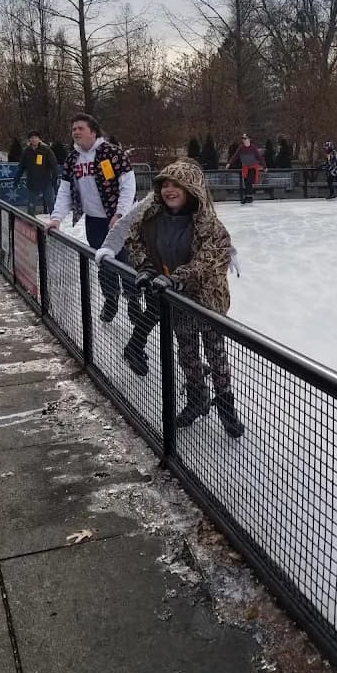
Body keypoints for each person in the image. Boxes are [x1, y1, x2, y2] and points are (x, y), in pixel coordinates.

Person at [95, 159, 244, 436]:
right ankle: (197, 397)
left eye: (177, 185)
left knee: (215, 352)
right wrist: (146, 268)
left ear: (191, 189)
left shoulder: (207, 222)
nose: (169, 190)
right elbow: (133, 238)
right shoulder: (151, 215)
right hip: (175, 297)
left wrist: (177, 278)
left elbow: (208, 259)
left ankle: (225, 402)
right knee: (186, 351)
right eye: (165, 184)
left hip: (206, 301)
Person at [45, 113, 137, 322]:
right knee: (103, 262)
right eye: (73, 129)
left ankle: (133, 302)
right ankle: (111, 299)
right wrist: (56, 218)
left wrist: (120, 214)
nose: (76, 132)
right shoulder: (73, 159)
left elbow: (128, 185)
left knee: (126, 261)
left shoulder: (112, 153)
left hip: (119, 220)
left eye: (80, 128)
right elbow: (65, 191)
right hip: (95, 221)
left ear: (93, 131)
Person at [13, 130, 60, 215]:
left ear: (39, 139)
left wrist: (54, 178)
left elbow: (54, 164)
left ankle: (54, 222)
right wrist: (16, 179)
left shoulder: (46, 150)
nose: (33, 139)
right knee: (31, 205)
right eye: (31, 138)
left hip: (46, 182)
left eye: (35, 137)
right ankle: (30, 223)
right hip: (33, 182)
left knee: (51, 203)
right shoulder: (26, 152)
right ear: (29, 140)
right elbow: (21, 167)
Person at [227, 133, 265, 204]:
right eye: (243, 139)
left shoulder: (253, 148)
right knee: (246, 182)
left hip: (253, 167)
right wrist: (229, 163)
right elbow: (235, 156)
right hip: (245, 167)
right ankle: (248, 197)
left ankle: (249, 196)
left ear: (249, 139)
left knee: (249, 182)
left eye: (245, 138)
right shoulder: (241, 148)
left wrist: (264, 166)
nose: (244, 140)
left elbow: (259, 157)